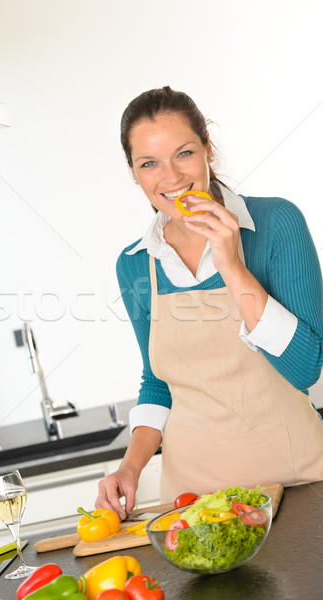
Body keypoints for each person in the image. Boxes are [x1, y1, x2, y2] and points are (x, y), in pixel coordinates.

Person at [95, 86, 323, 520]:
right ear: (135, 174)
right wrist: (130, 467)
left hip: (300, 487)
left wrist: (233, 266)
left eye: (183, 153)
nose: (172, 177)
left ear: (207, 149)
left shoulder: (276, 223)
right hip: (193, 506)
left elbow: (305, 367)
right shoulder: (136, 264)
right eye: (149, 163)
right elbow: (158, 381)